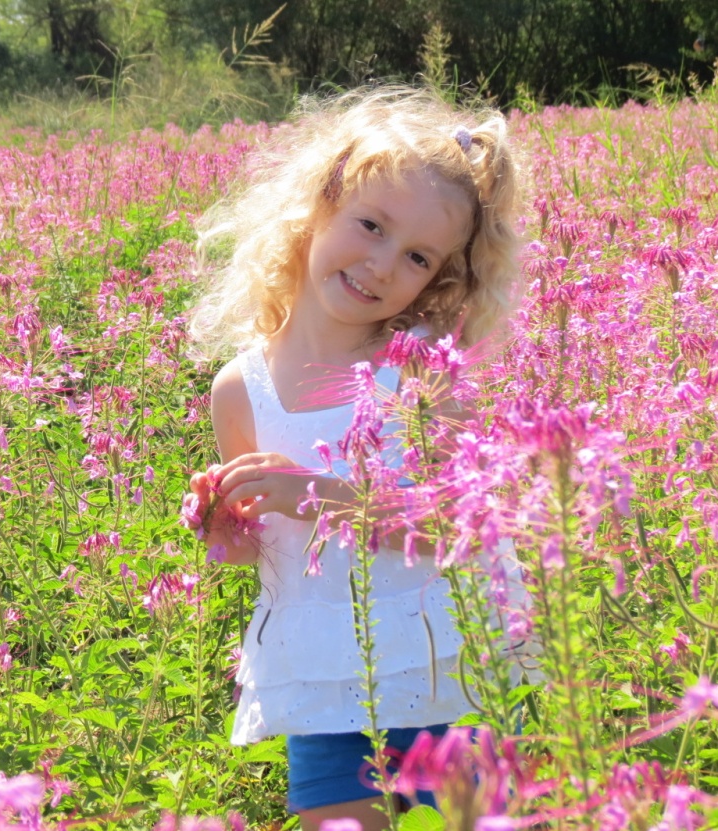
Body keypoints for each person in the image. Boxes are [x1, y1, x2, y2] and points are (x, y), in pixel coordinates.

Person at [183, 87, 525, 828]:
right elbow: (275, 547)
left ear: (437, 279)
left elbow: (464, 525)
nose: (379, 264)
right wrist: (233, 533)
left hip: (449, 677)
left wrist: (319, 492)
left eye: (416, 257)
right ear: (317, 202)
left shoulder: (423, 372)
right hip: (325, 681)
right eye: (369, 225)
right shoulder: (241, 391)